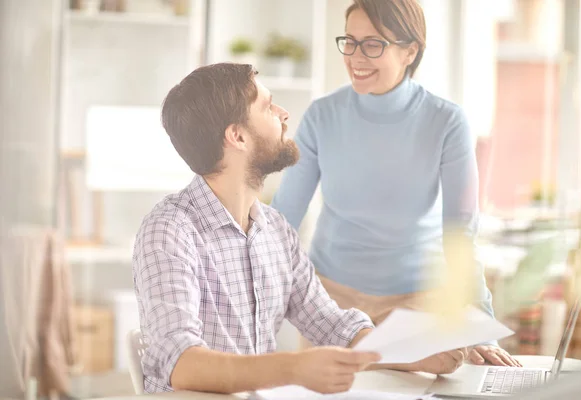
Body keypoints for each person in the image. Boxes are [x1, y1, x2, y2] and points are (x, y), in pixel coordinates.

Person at [132, 63, 469, 394]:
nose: (283, 113)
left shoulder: (275, 230)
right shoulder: (170, 231)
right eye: (267, 106)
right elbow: (181, 364)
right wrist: (294, 368)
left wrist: (420, 354)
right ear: (237, 136)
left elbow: (334, 326)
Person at [270, 0, 521, 368]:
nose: (356, 56)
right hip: (332, 305)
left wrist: (480, 327)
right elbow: (282, 219)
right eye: (350, 42)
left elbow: (459, 234)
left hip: (417, 306)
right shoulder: (322, 116)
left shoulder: (446, 123)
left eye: (373, 44)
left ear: (410, 51)